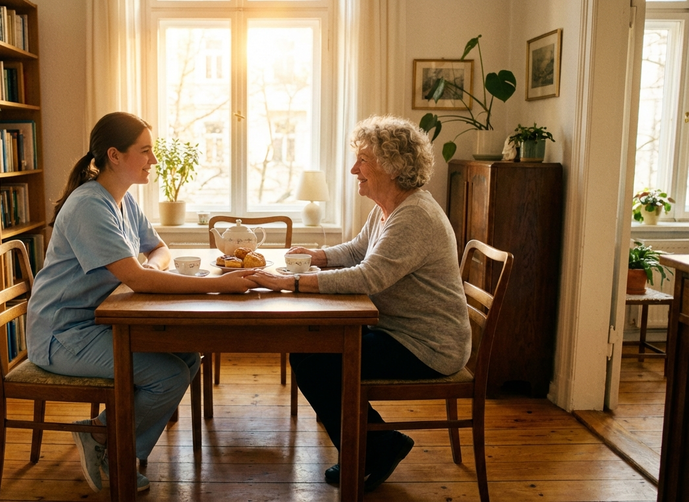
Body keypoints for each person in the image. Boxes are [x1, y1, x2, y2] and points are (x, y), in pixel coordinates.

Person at [26, 112, 256, 493]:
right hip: (63, 335)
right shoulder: (89, 205)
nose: (153, 160)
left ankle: (106, 434)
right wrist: (218, 287)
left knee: (186, 356)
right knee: (166, 376)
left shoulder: (123, 201)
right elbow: (135, 279)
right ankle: (103, 439)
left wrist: (149, 264)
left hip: (100, 323)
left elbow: (159, 250)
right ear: (114, 156)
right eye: (145, 151)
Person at [249, 115, 471, 492]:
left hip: (428, 345)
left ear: (393, 166)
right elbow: (356, 250)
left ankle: (375, 448)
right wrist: (317, 255)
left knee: (318, 364)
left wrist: (294, 282)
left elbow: (369, 276)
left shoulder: (415, 216)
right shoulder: (391, 207)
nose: (354, 169)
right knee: (310, 352)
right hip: (399, 330)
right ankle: (374, 444)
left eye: (363, 160)